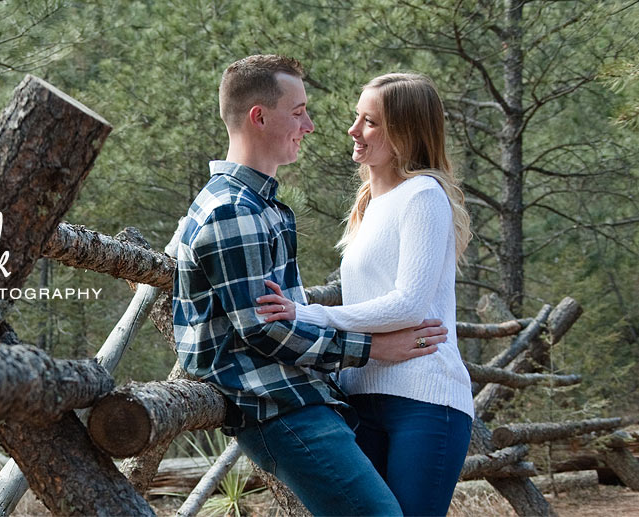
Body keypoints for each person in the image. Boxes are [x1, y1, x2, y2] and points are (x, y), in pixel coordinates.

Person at [173, 56, 448, 516]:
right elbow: (265, 331)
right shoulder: (232, 210)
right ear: (260, 117)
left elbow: (285, 314)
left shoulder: (265, 208)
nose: (311, 125)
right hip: (276, 404)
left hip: (301, 397)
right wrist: (373, 348)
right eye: (298, 111)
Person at [257, 73, 474, 516]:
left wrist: (310, 314)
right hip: (360, 393)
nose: (354, 130)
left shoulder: (423, 195)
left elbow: (409, 305)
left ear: (405, 132)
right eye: (357, 117)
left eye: (370, 122)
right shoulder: (370, 206)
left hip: (424, 398)